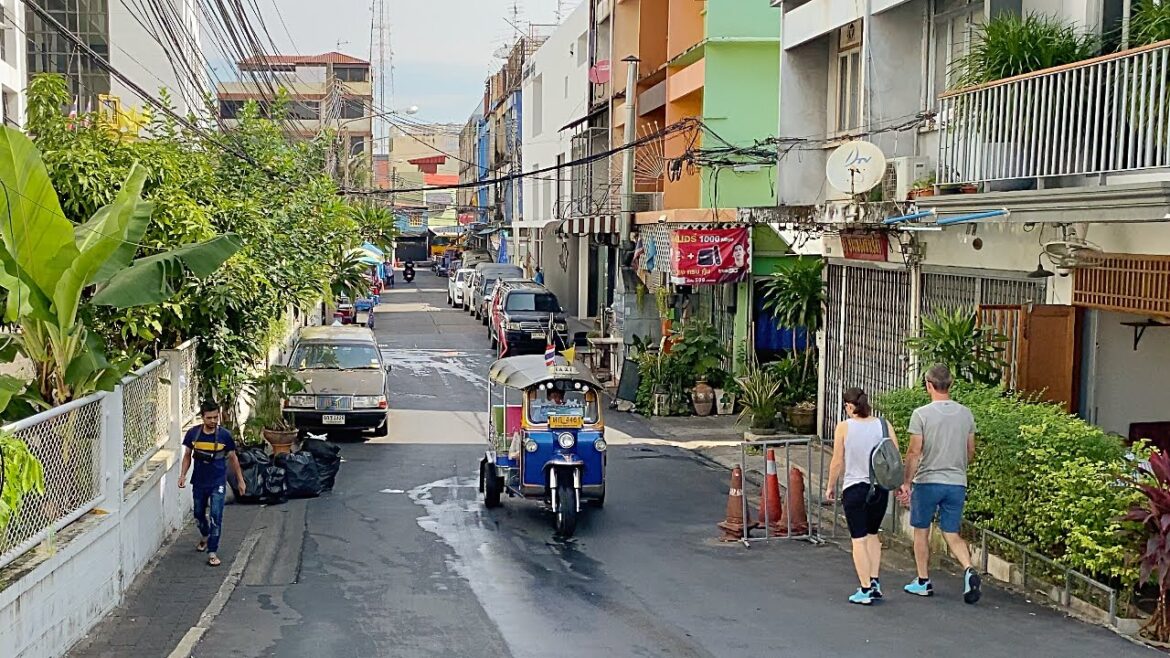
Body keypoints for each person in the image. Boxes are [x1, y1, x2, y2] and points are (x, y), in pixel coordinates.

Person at [899, 364, 981, 604]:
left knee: (921, 531)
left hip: (927, 481)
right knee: (951, 532)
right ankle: (968, 569)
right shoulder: (966, 413)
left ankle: (923, 581)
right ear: (951, 384)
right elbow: (971, 451)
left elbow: (914, 452)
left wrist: (906, 482)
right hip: (957, 482)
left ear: (928, 385)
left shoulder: (921, 414)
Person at [825, 387, 897, 605]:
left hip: (855, 488)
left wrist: (830, 486)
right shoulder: (883, 425)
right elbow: (895, 457)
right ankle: (874, 582)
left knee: (858, 539)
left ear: (849, 406)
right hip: (880, 489)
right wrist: (899, 485)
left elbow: (837, 460)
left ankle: (865, 588)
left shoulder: (844, 428)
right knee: (873, 534)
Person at [179, 401, 245, 567]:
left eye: (216, 417)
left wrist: (240, 480)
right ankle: (205, 536)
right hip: (199, 481)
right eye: (210, 418)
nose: (214, 421)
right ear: (202, 417)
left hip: (218, 482)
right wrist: (182, 475)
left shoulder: (225, 436)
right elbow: (187, 455)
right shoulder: (193, 434)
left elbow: (233, 458)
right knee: (199, 514)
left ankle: (212, 552)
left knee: (216, 516)